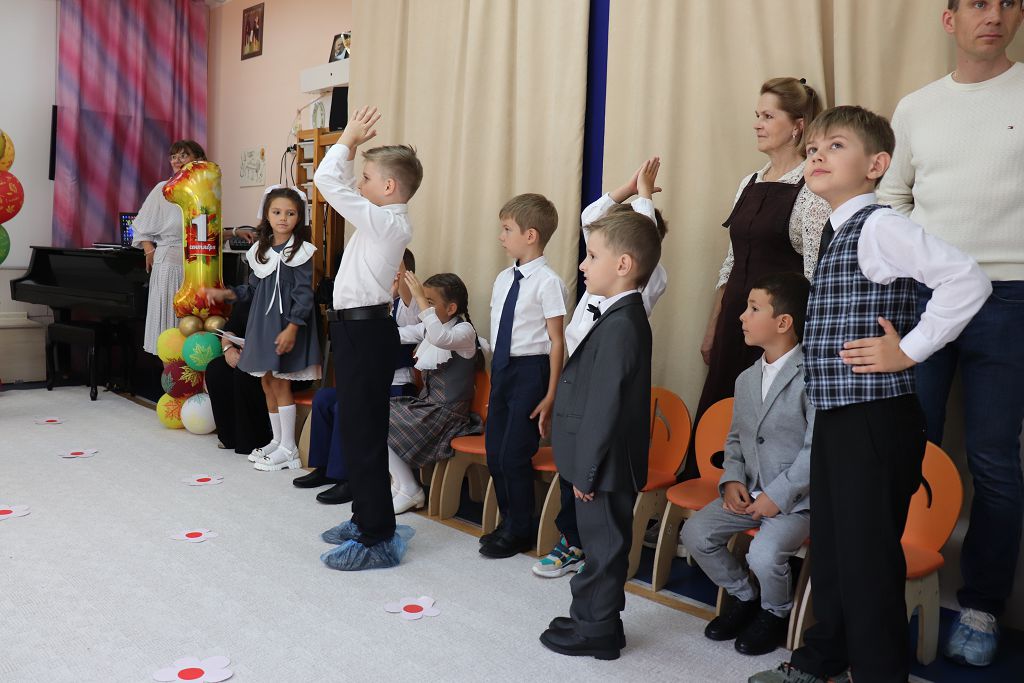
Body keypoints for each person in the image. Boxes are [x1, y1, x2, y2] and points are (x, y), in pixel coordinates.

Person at [750, 106, 991, 683]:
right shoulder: (836, 230)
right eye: (813, 149)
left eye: (835, 146)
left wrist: (910, 350)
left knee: (866, 560)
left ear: (876, 165)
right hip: (838, 416)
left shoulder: (880, 227)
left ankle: (880, 673)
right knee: (832, 550)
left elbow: (967, 278)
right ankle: (823, 658)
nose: (817, 156)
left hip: (875, 419)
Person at [876, 0, 1024, 667]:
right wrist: (919, 264)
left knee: (994, 459)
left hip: (1010, 296)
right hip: (926, 295)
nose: (994, 15)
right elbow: (891, 198)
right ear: (950, 19)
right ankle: (893, 579)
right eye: (979, 3)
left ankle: (983, 606)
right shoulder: (916, 107)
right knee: (911, 444)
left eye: (1008, 3)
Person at [534, 157, 668, 579]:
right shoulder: (601, 276)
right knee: (571, 471)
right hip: (574, 385)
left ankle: (581, 549)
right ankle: (574, 541)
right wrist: (626, 190)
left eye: (593, 254)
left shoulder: (646, 283)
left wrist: (643, 198)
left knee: (588, 479)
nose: (585, 261)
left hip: (597, 390)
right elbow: (591, 218)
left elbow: (639, 233)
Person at [539, 210, 659, 661]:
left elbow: (606, 405)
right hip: (598, 463)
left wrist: (586, 472)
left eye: (591, 256)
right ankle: (593, 617)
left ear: (623, 265)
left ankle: (598, 632)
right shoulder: (616, 316)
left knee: (604, 549)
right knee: (597, 544)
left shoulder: (624, 324)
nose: (583, 265)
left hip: (605, 467)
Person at [313, 106, 424, 571]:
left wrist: (347, 141)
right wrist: (352, 148)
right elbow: (338, 184)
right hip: (355, 329)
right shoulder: (379, 219)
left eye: (367, 178)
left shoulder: (389, 223)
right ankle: (366, 518)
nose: (359, 184)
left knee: (363, 433)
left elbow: (326, 181)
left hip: (365, 331)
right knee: (357, 430)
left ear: (389, 187)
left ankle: (376, 534)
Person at [682, 272, 812, 657]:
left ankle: (775, 612)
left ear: (783, 322)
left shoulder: (813, 377)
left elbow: (817, 450)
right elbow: (736, 439)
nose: (742, 316)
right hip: (749, 493)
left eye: (754, 308)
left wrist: (778, 495)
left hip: (799, 503)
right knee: (696, 534)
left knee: (763, 554)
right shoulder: (746, 379)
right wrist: (732, 479)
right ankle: (745, 596)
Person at [697, 78, 830, 422]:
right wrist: (714, 327)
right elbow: (731, 263)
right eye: (758, 116)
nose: (757, 124)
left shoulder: (812, 189)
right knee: (720, 419)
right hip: (736, 321)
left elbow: (815, 276)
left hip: (778, 332)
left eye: (768, 117)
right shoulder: (749, 182)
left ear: (797, 126)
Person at [204, 187, 321, 473]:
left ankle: (289, 449)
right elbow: (253, 289)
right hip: (264, 325)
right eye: (277, 212)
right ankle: (277, 440)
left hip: (285, 326)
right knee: (266, 382)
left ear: (299, 217)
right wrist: (228, 294)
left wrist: (292, 328)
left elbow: (304, 295)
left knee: (281, 383)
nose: (283, 218)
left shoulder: (301, 252)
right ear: (266, 214)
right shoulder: (261, 250)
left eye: (290, 213)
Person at [293, 249, 420, 505]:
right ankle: (325, 468)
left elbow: (405, 308)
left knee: (347, 408)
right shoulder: (373, 301)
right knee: (324, 398)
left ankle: (349, 478)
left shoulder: (411, 305)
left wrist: (396, 259)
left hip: (396, 386)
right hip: (368, 382)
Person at [479, 193, 567, 559]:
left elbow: (557, 341)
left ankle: (520, 530)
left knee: (514, 454)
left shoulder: (548, 282)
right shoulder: (503, 279)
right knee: (495, 452)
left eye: (507, 229)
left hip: (531, 371)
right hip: (503, 370)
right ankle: (508, 522)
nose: (501, 237)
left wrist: (551, 394)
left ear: (530, 235)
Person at [388, 271, 484, 513]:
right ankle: (401, 484)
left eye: (430, 302)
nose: (424, 309)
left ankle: (410, 488)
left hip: (449, 415)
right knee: (370, 413)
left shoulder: (464, 332)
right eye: (425, 301)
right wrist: (387, 302)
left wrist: (419, 299)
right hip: (429, 408)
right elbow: (395, 334)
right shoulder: (430, 329)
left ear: (451, 308)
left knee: (378, 419)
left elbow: (441, 338)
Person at [132, 139, 207, 356]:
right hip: (169, 265)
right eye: (173, 156)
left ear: (198, 159)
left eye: (183, 155)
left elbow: (206, 232)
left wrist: (235, 232)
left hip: (196, 268)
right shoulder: (163, 189)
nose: (176, 160)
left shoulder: (204, 192)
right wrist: (149, 250)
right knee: (170, 331)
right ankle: (170, 375)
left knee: (192, 331)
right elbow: (141, 226)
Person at [205, 298, 273, 456]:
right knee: (217, 369)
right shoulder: (251, 298)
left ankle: (253, 440)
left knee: (245, 373)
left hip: (280, 364)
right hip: (249, 356)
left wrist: (255, 352)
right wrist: (228, 349)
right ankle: (229, 436)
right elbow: (229, 330)